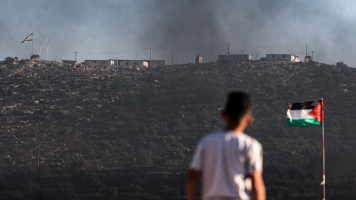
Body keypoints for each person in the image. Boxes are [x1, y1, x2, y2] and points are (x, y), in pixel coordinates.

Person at [186, 91, 265, 200]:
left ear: (223, 114)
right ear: (249, 120)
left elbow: (192, 178)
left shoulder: (207, 142)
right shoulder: (251, 145)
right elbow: (256, 184)